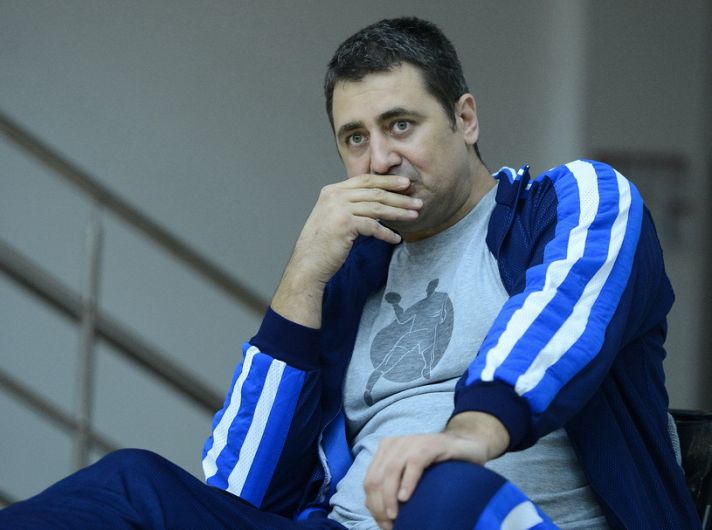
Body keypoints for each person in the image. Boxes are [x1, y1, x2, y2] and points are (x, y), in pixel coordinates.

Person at [0, 16, 700, 530]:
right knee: (130, 484)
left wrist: (466, 436)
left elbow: (565, 316)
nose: (380, 159)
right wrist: (303, 277)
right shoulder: (353, 275)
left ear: (465, 119)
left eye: (401, 125)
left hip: (483, 512)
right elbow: (238, 492)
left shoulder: (570, 202)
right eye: (355, 138)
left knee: (439, 489)